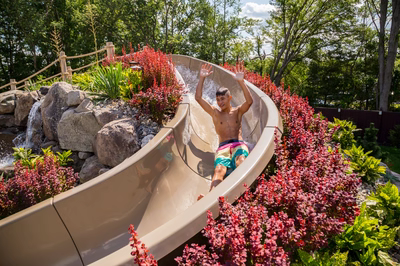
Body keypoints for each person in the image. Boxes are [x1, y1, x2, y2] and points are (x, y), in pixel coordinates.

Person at [195, 63, 253, 200]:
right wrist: (202, 78)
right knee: (219, 169)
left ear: (230, 98)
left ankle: (245, 194)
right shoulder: (215, 113)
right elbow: (198, 98)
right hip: (223, 148)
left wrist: (241, 82)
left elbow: (249, 102)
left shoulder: (237, 111)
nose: (220, 102)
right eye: (218, 100)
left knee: (241, 161)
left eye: (223, 99)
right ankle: (211, 199)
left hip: (238, 144)